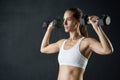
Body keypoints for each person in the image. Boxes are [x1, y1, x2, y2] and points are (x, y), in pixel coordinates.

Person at [40, 8, 114, 80]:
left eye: (68, 19)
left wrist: (97, 28)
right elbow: (43, 49)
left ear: (78, 21)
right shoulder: (62, 43)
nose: (64, 23)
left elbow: (107, 50)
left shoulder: (86, 42)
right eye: (64, 19)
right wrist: (49, 29)